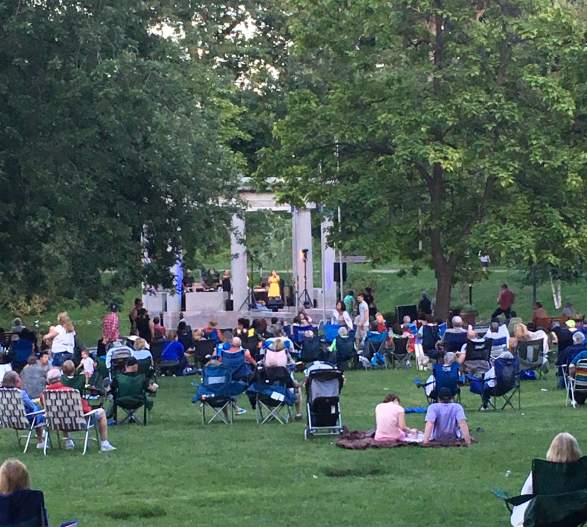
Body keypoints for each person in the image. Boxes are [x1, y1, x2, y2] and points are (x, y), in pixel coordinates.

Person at [510, 433, 583, 527]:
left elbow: (524, 497)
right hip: (570, 519)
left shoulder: (540, 473)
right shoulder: (582, 473)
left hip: (540, 519)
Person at [42, 368, 116, 452]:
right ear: (60, 378)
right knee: (101, 412)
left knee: (61, 412)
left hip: (55, 423)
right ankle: (104, 443)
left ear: (48, 380)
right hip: (78, 423)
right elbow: (85, 409)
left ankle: (68, 442)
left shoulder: (44, 395)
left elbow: (46, 410)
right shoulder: (71, 392)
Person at [1, 371, 45, 449]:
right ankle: (40, 441)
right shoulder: (21, 393)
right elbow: (31, 406)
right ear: (16, 382)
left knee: (35, 411)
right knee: (38, 411)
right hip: (25, 421)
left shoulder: (2, 394)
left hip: (9, 420)